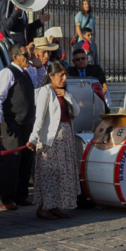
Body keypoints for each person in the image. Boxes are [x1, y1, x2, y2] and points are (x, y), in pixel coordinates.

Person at [0, 43, 45, 211]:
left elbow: (39, 84)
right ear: (15, 57)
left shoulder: (27, 71)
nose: (28, 59)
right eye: (25, 56)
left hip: (27, 121)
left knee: (25, 159)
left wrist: (39, 66)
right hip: (12, 122)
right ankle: (5, 197)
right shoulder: (7, 72)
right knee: (11, 161)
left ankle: (21, 195)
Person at [26, 62, 80, 220]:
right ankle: (44, 207)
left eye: (65, 75)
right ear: (51, 75)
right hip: (51, 140)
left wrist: (67, 96)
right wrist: (33, 138)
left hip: (65, 138)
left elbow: (76, 111)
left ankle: (54, 206)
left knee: (61, 174)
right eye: (60, 75)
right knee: (49, 173)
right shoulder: (46, 91)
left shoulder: (64, 92)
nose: (64, 78)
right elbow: (40, 117)